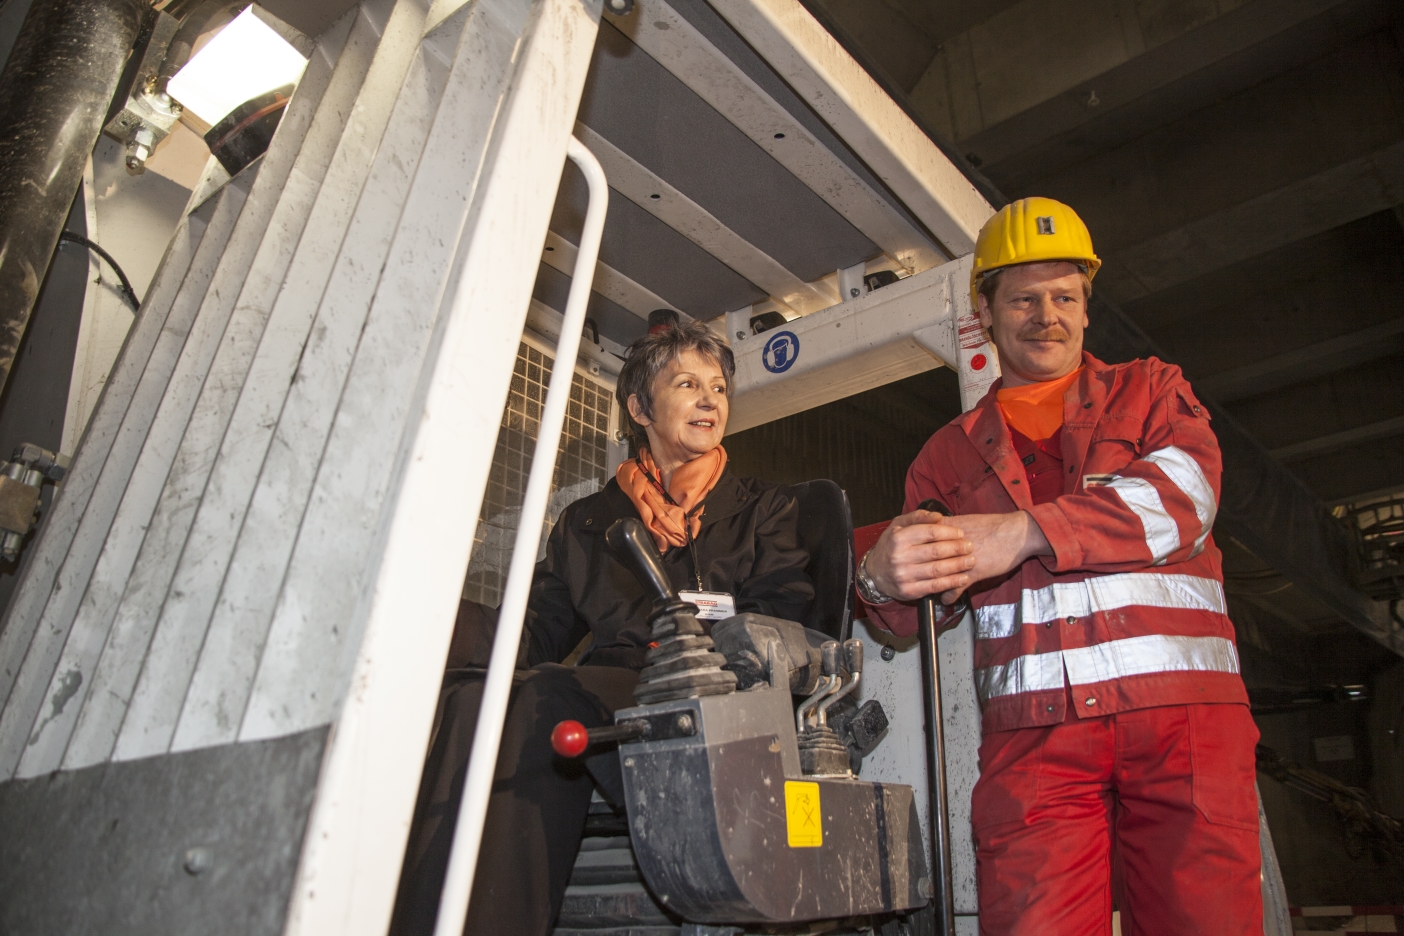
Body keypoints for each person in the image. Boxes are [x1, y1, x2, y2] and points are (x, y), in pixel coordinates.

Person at [855, 198, 1261, 935]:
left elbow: (1187, 499)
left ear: (1086, 305)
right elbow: (903, 612)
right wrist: (878, 577)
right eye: (1024, 299)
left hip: (1181, 722)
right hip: (1035, 741)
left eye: (1064, 297)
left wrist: (1023, 532)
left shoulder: (1152, 391)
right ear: (983, 313)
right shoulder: (946, 456)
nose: (1047, 316)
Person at [391, 319, 814, 936]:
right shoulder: (588, 522)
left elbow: (786, 615)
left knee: (546, 696)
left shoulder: (763, 510)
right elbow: (531, 634)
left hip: (711, 698)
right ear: (640, 408)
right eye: (688, 384)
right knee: (470, 695)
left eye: (718, 388)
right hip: (610, 691)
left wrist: (722, 645)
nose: (708, 400)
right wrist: (423, 618)